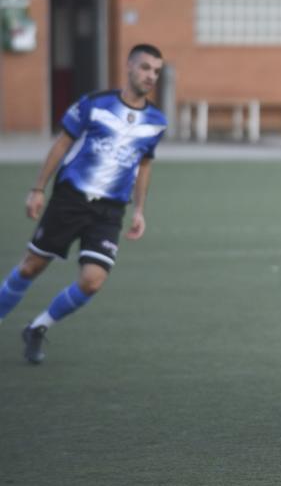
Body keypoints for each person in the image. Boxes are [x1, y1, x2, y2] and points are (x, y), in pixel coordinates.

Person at [0, 44, 167, 364]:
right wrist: (37, 189)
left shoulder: (156, 121)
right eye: (145, 68)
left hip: (109, 210)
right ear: (129, 67)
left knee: (92, 281)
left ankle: (37, 327)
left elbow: (144, 165)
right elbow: (62, 144)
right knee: (30, 266)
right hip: (71, 199)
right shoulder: (95, 104)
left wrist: (140, 210)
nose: (151, 76)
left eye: (156, 71)